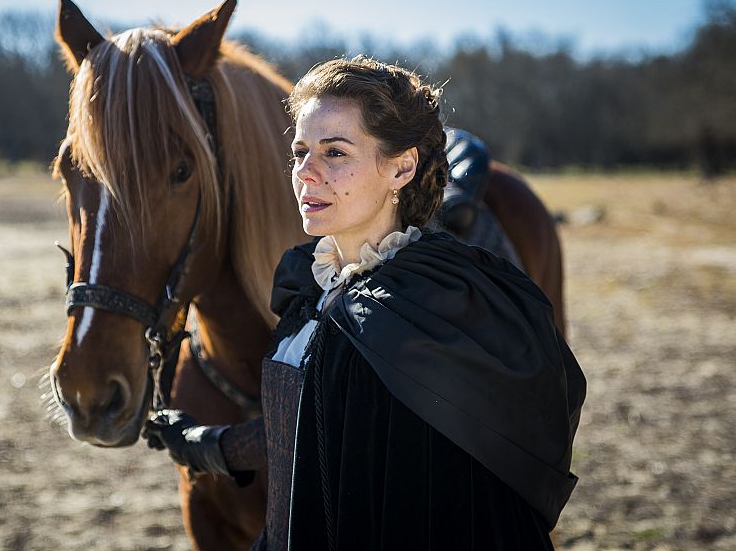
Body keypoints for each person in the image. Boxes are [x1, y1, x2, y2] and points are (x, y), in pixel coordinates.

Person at [145, 56, 587, 550]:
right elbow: (314, 426)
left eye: (335, 153)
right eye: (299, 151)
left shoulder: (437, 304)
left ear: (401, 167)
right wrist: (207, 445)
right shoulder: (310, 287)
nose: (306, 174)